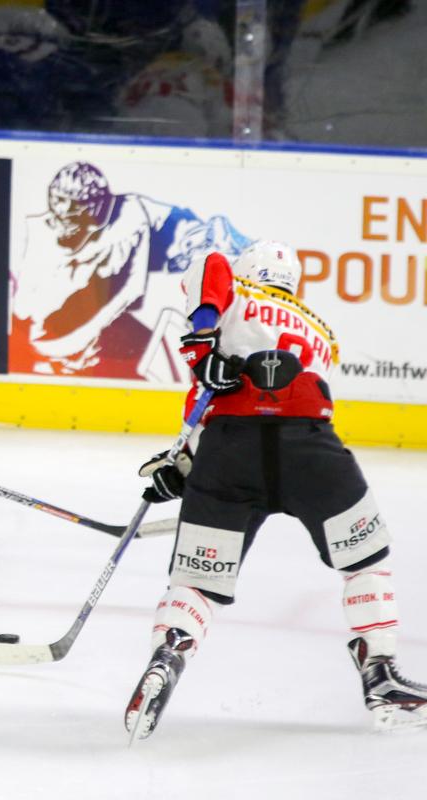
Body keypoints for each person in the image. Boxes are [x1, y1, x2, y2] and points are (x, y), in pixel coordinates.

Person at [127, 240, 427, 740]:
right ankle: (380, 671)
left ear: (247, 271)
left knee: (197, 580)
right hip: (310, 451)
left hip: (229, 451)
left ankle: (168, 655)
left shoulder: (235, 292)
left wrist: (185, 457)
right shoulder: (321, 331)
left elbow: (210, 269)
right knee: (365, 560)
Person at [9, 161, 249, 380]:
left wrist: (210, 240)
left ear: (95, 208)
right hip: (55, 340)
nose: (63, 222)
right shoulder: (36, 234)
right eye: (58, 212)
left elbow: (201, 233)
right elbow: (24, 311)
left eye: (73, 215)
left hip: (104, 337)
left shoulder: (130, 213)